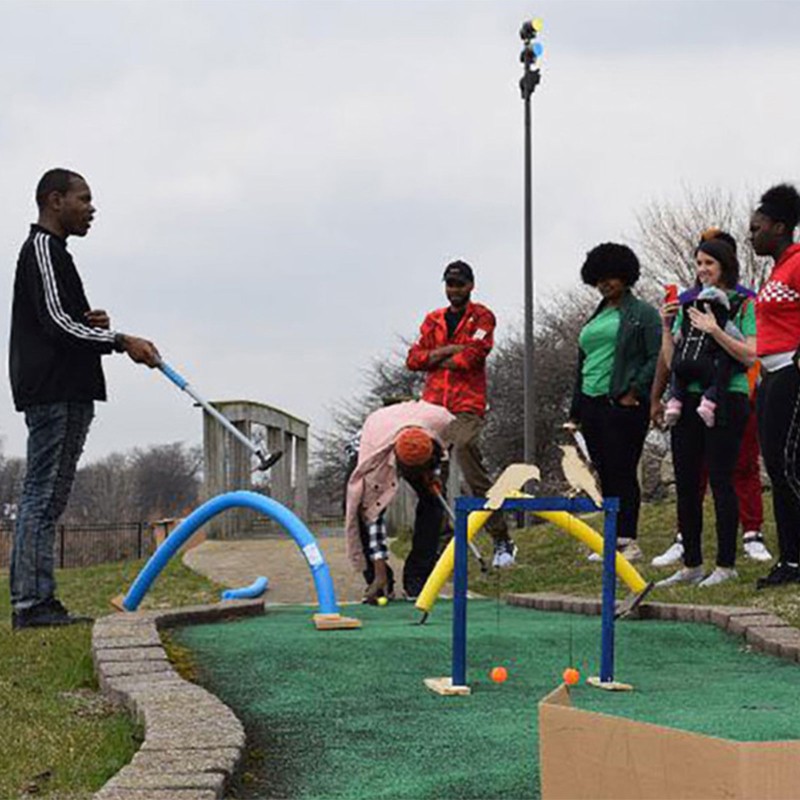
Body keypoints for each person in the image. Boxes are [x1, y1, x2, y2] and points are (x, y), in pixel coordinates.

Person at [9, 168, 161, 630]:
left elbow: (65, 322)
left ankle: (38, 603)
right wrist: (120, 340)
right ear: (54, 200)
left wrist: (92, 324)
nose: (91, 209)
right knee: (40, 496)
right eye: (83, 199)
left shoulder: (58, 254)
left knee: (48, 497)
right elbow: (56, 324)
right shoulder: (41, 250)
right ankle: (32, 606)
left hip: (67, 389)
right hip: (53, 391)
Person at [650, 229, 771, 567]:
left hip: (727, 398)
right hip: (687, 401)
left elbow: (750, 355)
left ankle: (726, 564)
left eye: (709, 263)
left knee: (722, 479)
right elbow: (675, 362)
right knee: (688, 483)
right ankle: (691, 563)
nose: (702, 269)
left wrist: (715, 329)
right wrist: (665, 326)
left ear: (725, 265)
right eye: (699, 263)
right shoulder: (690, 304)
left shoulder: (745, 303)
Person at [406, 260, 516, 568]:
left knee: (469, 459)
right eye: (449, 284)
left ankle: (501, 539)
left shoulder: (482, 316)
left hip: (466, 405)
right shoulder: (433, 319)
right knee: (428, 473)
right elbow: (414, 360)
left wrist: (436, 357)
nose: (453, 290)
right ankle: (440, 545)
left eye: (459, 284)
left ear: (470, 286)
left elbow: (471, 357)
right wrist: (446, 351)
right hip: (433, 406)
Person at [567, 243, 661, 563]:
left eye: (611, 277)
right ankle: (611, 540)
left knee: (623, 471)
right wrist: (576, 409)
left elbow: (656, 357)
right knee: (605, 473)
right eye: (599, 278)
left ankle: (628, 539)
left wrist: (634, 391)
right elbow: (585, 362)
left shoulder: (643, 314)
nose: (605, 283)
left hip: (623, 404)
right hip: (591, 404)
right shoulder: (598, 315)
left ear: (626, 276)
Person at [344, 400, 455, 601]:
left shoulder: (443, 423)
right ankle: (379, 581)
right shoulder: (374, 466)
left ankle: (417, 579)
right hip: (373, 444)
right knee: (359, 511)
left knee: (434, 503)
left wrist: (434, 475)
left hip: (418, 429)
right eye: (412, 471)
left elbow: (445, 450)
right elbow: (373, 518)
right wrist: (378, 570)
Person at [750, 183, 800, 588]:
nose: (752, 235)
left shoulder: (799, 263)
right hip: (768, 377)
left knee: (789, 465)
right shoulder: (775, 271)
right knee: (777, 468)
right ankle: (791, 559)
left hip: (792, 371)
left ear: (780, 227)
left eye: (758, 227)